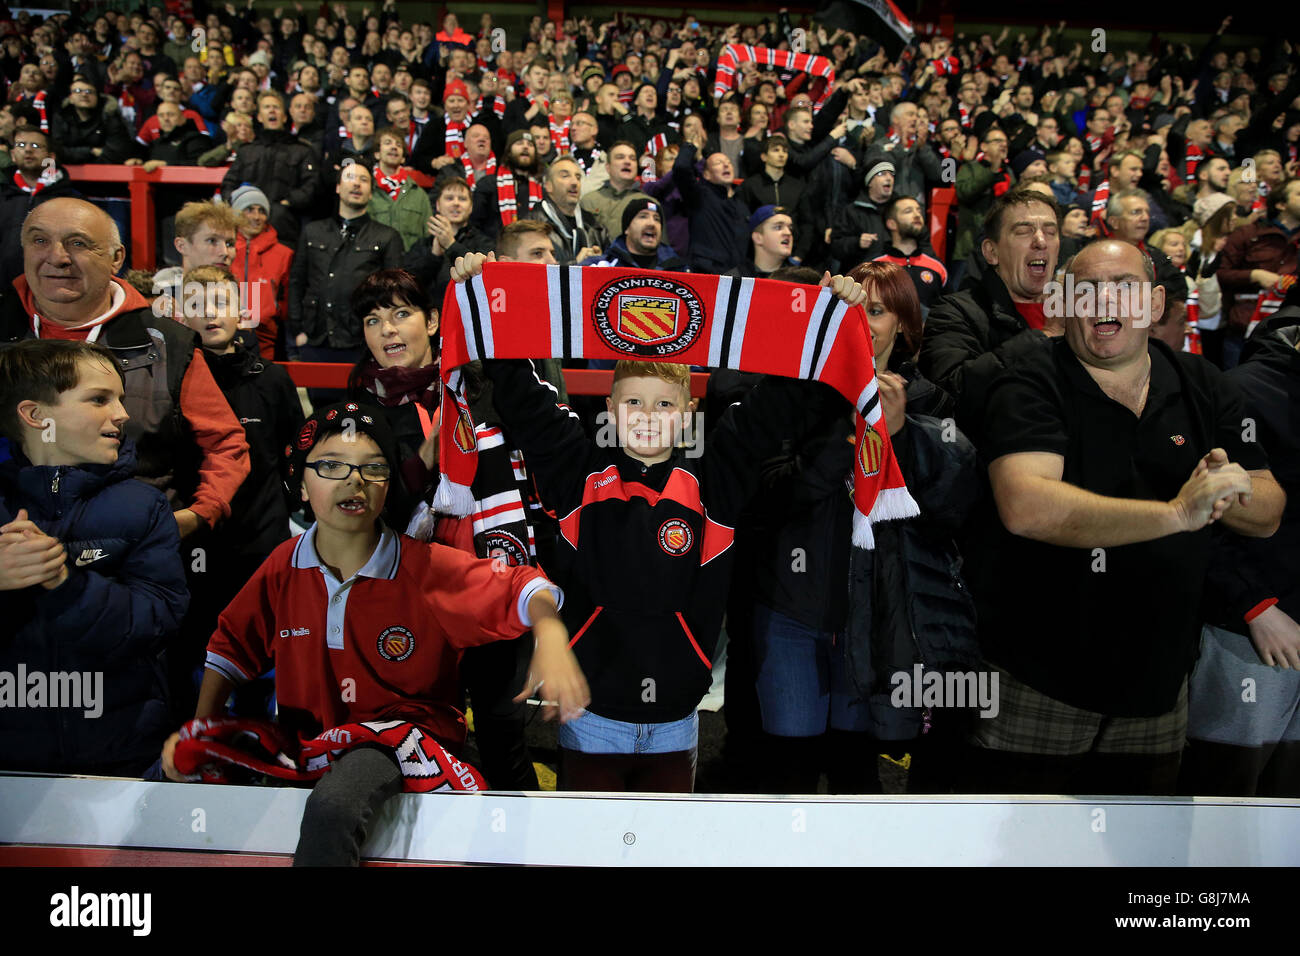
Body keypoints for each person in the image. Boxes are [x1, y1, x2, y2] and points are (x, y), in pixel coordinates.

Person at [457, 251, 868, 792]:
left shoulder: (715, 481)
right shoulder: (579, 473)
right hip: (591, 721)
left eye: (664, 405)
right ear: (609, 407)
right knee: (587, 855)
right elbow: (521, 393)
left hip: (678, 722)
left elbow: (788, 399)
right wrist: (488, 295)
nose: (647, 418)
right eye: (633, 403)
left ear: (690, 412)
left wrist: (828, 317)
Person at [160, 403, 588, 866]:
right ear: (300, 482)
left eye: (373, 467)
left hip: (400, 740)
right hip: (307, 743)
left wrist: (549, 634)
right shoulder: (282, 566)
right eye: (330, 465)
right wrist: (202, 732)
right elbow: (230, 646)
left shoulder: (424, 566)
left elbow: (524, 585)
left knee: (333, 806)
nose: (353, 479)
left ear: (388, 487)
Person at [962, 238, 1284, 795]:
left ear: (1155, 305)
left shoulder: (1205, 385)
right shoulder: (1025, 377)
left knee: (1143, 860)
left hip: (1158, 691)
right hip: (1040, 682)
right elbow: (1027, 506)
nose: (1102, 302)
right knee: (1024, 850)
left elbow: (1269, 506)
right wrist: (1180, 512)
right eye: (1085, 290)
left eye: (1122, 288)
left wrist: (1231, 491)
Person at [746, 261, 977, 794]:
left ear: (904, 325)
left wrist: (899, 436)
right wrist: (856, 432)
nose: (863, 321)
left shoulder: (929, 404)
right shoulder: (795, 393)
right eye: (851, 308)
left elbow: (951, 512)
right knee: (789, 774)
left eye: (877, 310)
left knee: (855, 773)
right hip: (791, 612)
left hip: (871, 624)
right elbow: (776, 497)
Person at [344, 269, 547, 790]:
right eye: (373, 319)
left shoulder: (477, 382)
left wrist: (482, 283)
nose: (388, 330)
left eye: (402, 313)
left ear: (433, 320)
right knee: (429, 732)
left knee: (502, 725)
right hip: (412, 593)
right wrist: (421, 464)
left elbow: (536, 453)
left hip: (493, 576)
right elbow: (358, 515)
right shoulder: (356, 411)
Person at [0, 198, 249, 549]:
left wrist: (196, 516)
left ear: (117, 258)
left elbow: (225, 444)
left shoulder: (169, 344)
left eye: (78, 243)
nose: (57, 256)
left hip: (132, 554)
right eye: (40, 240)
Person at [0, 339, 189, 776]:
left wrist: (66, 585)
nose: (122, 414)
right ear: (35, 415)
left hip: (121, 757)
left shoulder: (144, 505)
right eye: (99, 399)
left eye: (120, 399)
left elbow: (158, 620)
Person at [1182, 303, 1300, 797]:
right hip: (1254, 633)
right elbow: (1196, 512)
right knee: (1226, 798)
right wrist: (1253, 603)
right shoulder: (1245, 389)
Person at [919, 186, 1063, 444]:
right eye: (1023, 231)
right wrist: (1044, 336)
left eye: (1050, 232)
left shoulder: (1077, 312)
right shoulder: (954, 312)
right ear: (991, 252)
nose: (1041, 241)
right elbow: (950, 393)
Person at [287, 162, 404, 366]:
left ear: (370, 193)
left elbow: (394, 294)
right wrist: (298, 330)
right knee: (320, 398)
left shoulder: (387, 236)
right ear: (338, 187)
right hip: (315, 337)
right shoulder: (312, 232)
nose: (357, 184)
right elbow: (296, 282)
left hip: (363, 342)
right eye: (350, 177)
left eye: (364, 179)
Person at [220, 90, 319, 248]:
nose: (272, 110)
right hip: (243, 229)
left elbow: (311, 186)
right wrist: (242, 207)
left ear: (285, 117)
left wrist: (287, 203)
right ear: (259, 117)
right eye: (267, 107)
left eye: (276, 107)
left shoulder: (302, 150)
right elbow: (228, 185)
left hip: (283, 227)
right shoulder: (247, 151)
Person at [0, 126, 80, 292]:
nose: (28, 150)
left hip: (53, 291)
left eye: (36, 146)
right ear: (13, 155)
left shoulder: (71, 201)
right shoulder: (3, 194)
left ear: (50, 157)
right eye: (21, 145)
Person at [401, 175, 492, 311]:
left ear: (471, 207)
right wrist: (433, 256)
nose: (456, 203)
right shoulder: (423, 244)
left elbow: (487, 278)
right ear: (438, 205)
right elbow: (406, 286)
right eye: (449, 198)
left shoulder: (483, 242)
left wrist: (451, 245)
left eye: (462, 199)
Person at [230, 185, 294, 361]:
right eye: (249, 209)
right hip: (224, 333)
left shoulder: (284, 254)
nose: (256, 217)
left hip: (266, 336)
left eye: (261, 211)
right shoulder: (222, 249)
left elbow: (287, 298)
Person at [672, 138, 750, 273]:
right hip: (707, 273)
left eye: (729, 163)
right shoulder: (700, 195)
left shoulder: (742, 204)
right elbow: (681, 168)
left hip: (737, 277)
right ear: (706, 174)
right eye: (718, 163)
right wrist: (690, 146)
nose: (726, 165)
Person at [872, 195, 949, 313]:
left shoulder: (937, 267)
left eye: (919, 210)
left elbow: (949, 310)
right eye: (908, 211)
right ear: (892, 224)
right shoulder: (875, 266)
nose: (917, 215)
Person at [524, 155, 604, 265]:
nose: (574, 183)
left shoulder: (594, 225)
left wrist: (601, 259)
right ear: (548, 186)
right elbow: (530, 271)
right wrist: (576, 263)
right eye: (565, 176)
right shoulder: (531, 225)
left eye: (578, 177)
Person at [468, 129, 544, 239]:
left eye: (530, 144)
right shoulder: (488, 184)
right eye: (519, 143)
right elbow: (474, 227)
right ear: (508, 151)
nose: (525, 147)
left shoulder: (542, 188)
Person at [366, 125, 432, 250]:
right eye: (387, 143)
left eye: (398, 145)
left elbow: (428, 237)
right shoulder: (366, 190)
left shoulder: (419, 194)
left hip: (410, 265)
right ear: (377, 154)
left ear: (403, 158)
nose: (393, 147)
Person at [579, 196, 684, 270]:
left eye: (657, 219)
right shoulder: (601, 266)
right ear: (627, 228)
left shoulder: (678, 269)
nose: (652, 223)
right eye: (643, 216)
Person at [579, 140, 644, 241]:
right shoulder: (588, 201)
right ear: (607, 167)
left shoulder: (648, 202)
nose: (627, 162)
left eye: (632, 158)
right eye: (620, 157)